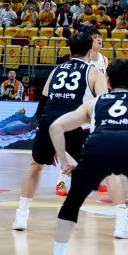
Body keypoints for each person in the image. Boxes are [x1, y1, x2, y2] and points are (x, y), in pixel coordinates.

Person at [46, 59, 128, 255]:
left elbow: (55, 127)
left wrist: (64, 161)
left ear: (107, 81)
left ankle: (58, 254)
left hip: (98, 147)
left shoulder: (94, 103)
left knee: (72, 202)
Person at [12, 32, 107, 232]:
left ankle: (21, 217)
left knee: (35, 165)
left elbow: (43, 104)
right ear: (90, 52)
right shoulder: (94, 73)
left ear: (70, 51)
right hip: (72, 124)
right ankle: (122, 221)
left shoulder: (56, 71)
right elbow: (104, 106)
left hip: (48, 122)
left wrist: (53, 139)